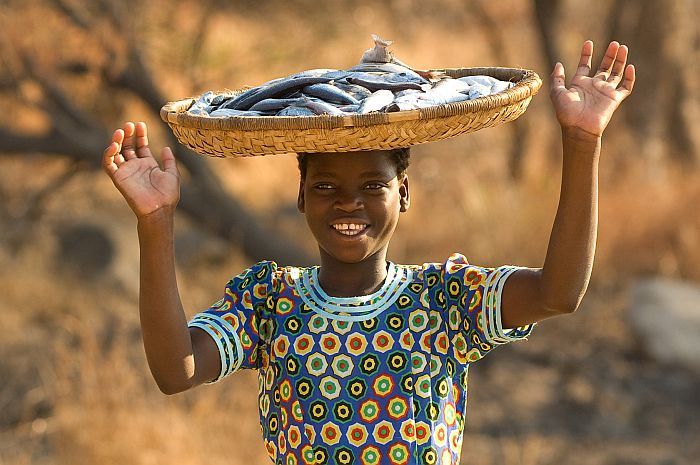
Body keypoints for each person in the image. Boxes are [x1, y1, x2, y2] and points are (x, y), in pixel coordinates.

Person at [103, 40, 635, 465]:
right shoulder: (269, 302)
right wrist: (155, 222)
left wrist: (582, 143)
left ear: (403, 194)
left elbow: (558, 293)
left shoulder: (445, 300)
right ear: (301, 195)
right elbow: (177, 371)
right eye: (327, 187)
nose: (348, 203)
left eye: (372, 186)